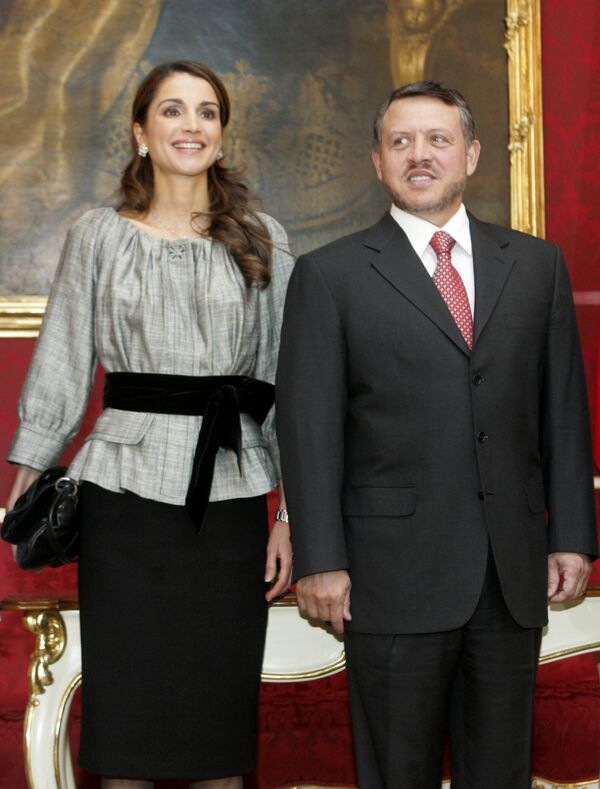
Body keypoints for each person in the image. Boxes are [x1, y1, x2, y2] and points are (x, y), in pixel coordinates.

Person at [275, 81, 598, 789]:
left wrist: (572, 535)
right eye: (401, 141)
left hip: (510, 577)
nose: (418, 154)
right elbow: (308, 431)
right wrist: (319, 558)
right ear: (378, 161)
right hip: (388, 577)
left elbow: (564, 411)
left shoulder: (537, 266)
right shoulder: (328, 275)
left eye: (437, 139)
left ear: (471, 155)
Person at [6, 60, 294, 788]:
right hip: (123, 501)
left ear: (222, 134)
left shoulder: (264, 237)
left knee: (218, 733)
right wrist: (24, 486)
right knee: (126, 733)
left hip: (231, 500)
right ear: (141, 131)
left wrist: (292, 513)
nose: (191, 126)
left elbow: (285, 382)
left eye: (207, 112)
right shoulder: (97, 235)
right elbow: (63, 360)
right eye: (172, 110)